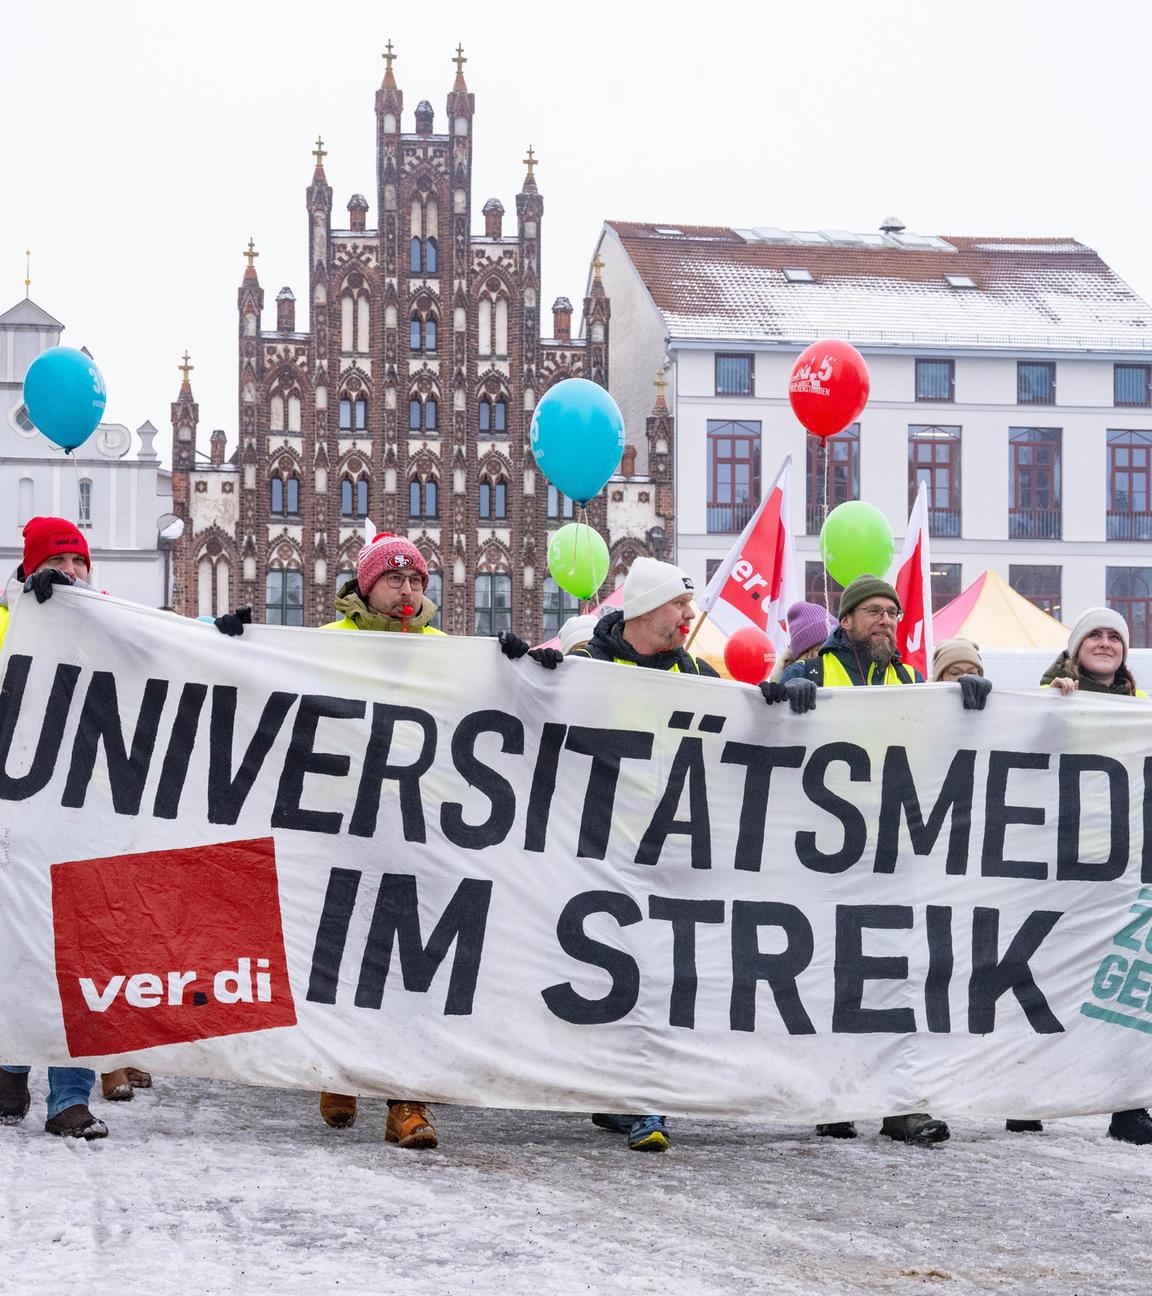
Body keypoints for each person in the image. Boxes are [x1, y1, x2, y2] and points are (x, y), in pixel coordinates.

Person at [315, 532, 561, 1149]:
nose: (408, 589)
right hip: (341, 827)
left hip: (420, 830)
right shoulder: (321, 643)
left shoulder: (445, 650)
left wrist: (528, 671)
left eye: (418, 580)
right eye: (395, 578)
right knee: (342, 959)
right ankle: (336, 1066)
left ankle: (408, 1104)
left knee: (407, 971)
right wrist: (229, 643)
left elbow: (502, 708)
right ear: (366, 585)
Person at [573, 557, 803, 1149]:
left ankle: (648, 1101)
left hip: (672, 851)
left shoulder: (698, 672)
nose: (689, 615)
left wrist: (775, 702)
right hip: (592, 847)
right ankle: (613, 1093)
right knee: (602, 975)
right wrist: (536, 675)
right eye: (680, 605)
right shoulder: (587, 666)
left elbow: (741, 726)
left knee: (659, 975)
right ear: (647, 609)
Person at [782, 573, 992, 1146]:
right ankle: (832, 1098)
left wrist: (970, 704)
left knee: (895, 980)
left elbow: (948, 746)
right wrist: (783, 694)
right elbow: (763, 728)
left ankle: (901, 1106)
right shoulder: (812, 671)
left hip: (894, 854)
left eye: (892, 613)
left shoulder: (910, 680)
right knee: (829, 978)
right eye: (873, 611)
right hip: (823, 857)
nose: (885, 621)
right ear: (845, 621)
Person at [0, 518, 132, 1138]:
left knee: (81, 957)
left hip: (87, 816)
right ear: (31, 570)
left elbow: (168, 658)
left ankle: (70, 1098)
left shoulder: (110, 621)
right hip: (18, 820)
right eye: (59, 563)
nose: (73, 573)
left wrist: (226, 640)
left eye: (80, 562)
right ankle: (8, 1071)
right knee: (16, 949)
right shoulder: (9, 620)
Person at [1005, 608, 1152, 1145]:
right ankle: (1028, 1095)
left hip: (1125, 873)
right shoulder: (1050, 698)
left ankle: (1128, 1104)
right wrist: (1050, 703)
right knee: (1044, 982)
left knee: (1128, 992)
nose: (1107, 642)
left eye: (1116, 636)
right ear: (1076, 646)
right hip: (1057, 866)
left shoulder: (1141, 714)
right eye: (1096, 633)